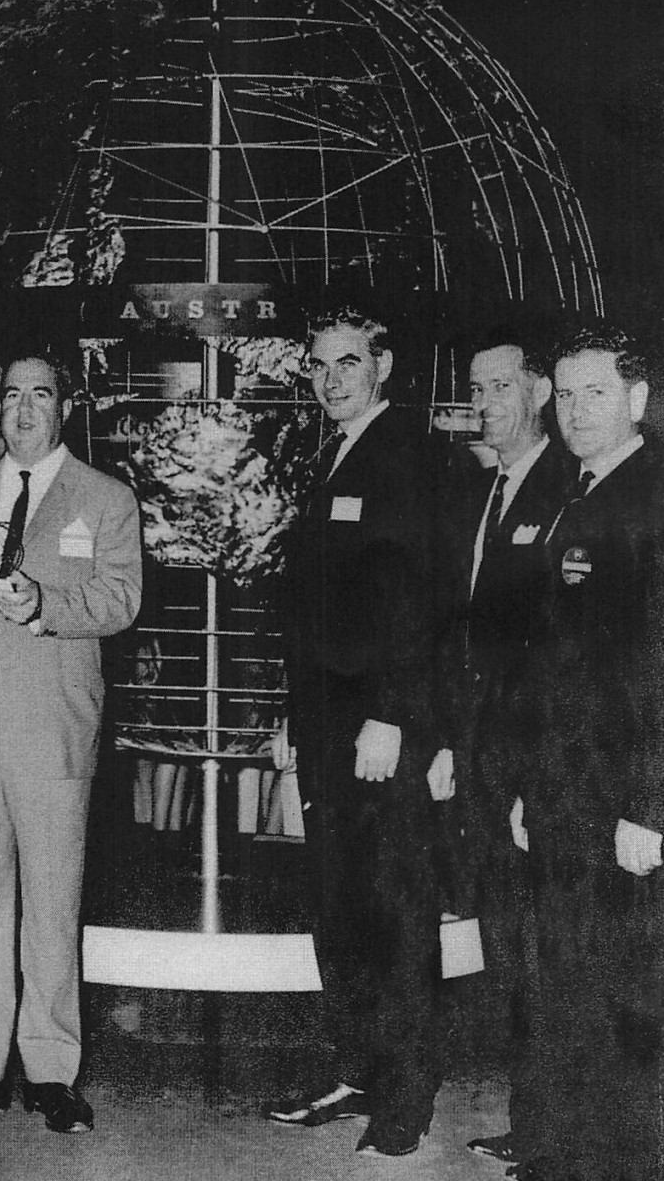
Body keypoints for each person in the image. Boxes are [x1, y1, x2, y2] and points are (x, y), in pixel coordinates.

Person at [0, 350, 142, 1135]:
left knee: (51, 903)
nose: (23, 410)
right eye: (10, 396)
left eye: (39, 395)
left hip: (52, 728)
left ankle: (50, 1070)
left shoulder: (104, 499)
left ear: (63, 408)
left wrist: (42, 602)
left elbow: (120, 598)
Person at [264, 306, 442, 1158]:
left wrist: (393, 714)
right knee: (338, 906)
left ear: (384, 365)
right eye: (320, 365)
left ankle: (405, 1098)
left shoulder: (406, 455)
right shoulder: (332, 455)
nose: (331, 379)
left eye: (348, 363)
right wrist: (290, 719)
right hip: (327, 729)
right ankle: (356, 1066)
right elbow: (313, 607)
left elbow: (418, 602)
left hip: (376, 733)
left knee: (393, 914)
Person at [507, 326, 664, 1181]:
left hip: (623, 805)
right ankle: (558, 1157)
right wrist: (533, 790)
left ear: (637, 400)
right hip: (566, 793)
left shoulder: (648, 498)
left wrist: (651, 804)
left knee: (624, 1001)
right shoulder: (578, 493)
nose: (573, 410)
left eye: (594, 392)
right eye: (564, 394)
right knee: (561, 986)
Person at [428, 329, 571, 1168]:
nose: (484, 403)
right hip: (480, 758)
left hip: (530, 769)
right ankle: (535, 1122)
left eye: (501, 387)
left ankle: (557, 1132)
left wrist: (521, 777)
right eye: (475, 388)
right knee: (513, 950)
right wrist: (451, 741)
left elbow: (549, 653)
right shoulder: (487, 490)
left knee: (547, 954)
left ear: (541, 391)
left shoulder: (564, 490)